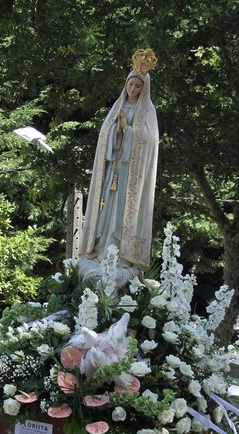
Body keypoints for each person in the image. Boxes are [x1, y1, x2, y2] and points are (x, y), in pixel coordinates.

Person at [73, 49, 159, 276]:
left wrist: (126, 130)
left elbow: (150, 142)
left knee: (121, 210)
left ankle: (121, 251)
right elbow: (104, 134)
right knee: (105, 207)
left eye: (137, 86)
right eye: (130, 85)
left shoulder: (148, 110)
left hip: (130, 174)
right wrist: (115, 131)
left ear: (144, 88)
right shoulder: (117, 106)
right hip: (112, 167)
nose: (132, 90)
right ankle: (99, 247)